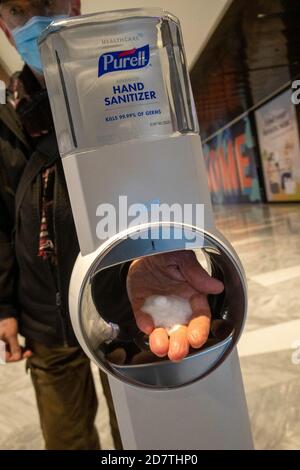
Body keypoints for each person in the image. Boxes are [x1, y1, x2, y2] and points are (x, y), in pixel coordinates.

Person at [0, 0, 224, 450]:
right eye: (19, 11)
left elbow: (167, 186)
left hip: (123, 300)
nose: (35, 21)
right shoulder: (6, 121)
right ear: (4, 27)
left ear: (74, 5)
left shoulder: (126, 94)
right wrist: (4, 307)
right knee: (65, 438)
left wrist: (170, 251)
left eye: (47, 4)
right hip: (46, 321)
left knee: (141, 435)